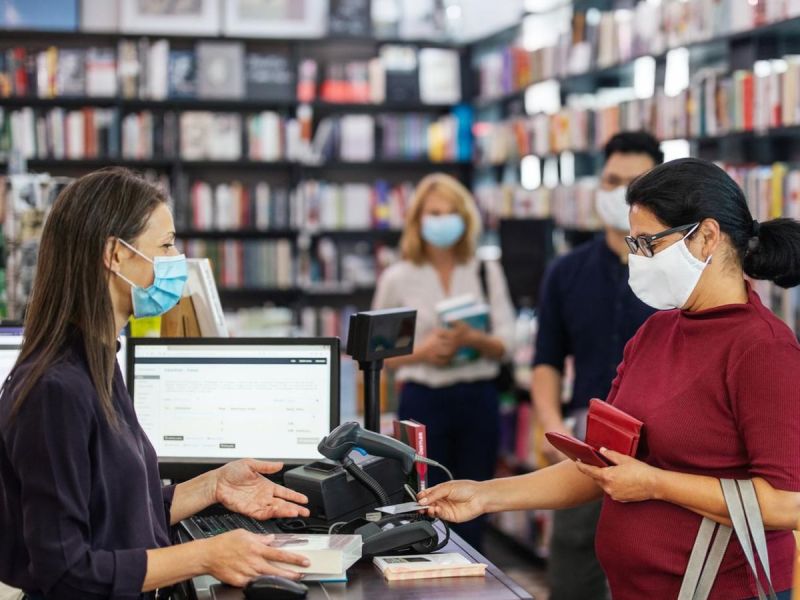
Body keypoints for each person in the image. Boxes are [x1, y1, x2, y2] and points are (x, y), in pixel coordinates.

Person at [418, 158, 800, 600]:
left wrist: (655, 483)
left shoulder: (762, 348)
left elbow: (786, 501)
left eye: (647, 243)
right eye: (631, 243)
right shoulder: (657, 331)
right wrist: (486, 495)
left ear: (707, 237)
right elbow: (601, 466)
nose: (636, 258)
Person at [0, 168, 313, 599]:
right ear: (114, 254)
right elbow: (65, 569)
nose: (175, 258)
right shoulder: (56, 390)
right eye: (165, 245)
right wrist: (206, 555)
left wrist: (214, 485)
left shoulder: (98, 360)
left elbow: (116, 516)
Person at [532, 131, 662, 600]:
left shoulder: (675, 273)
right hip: (584, 450)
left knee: (650, 574)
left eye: (637, 181)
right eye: (613, 180)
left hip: (663, 458)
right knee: (572, 571)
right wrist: (549, 428)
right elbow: (546, 359)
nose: (623, 192)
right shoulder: (566, 272)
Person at [371, 172, 515, 550]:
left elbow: (508, 343)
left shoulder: (485, 268)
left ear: (465, 220)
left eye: (451, 212)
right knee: (421, 501)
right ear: (418, 218)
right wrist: (423, 352)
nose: (441, 220)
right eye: (433, 213)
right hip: (423, 400)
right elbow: (375, 354)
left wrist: (474, 340)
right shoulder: (397, 278)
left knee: (477, 500)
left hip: (478, 398)